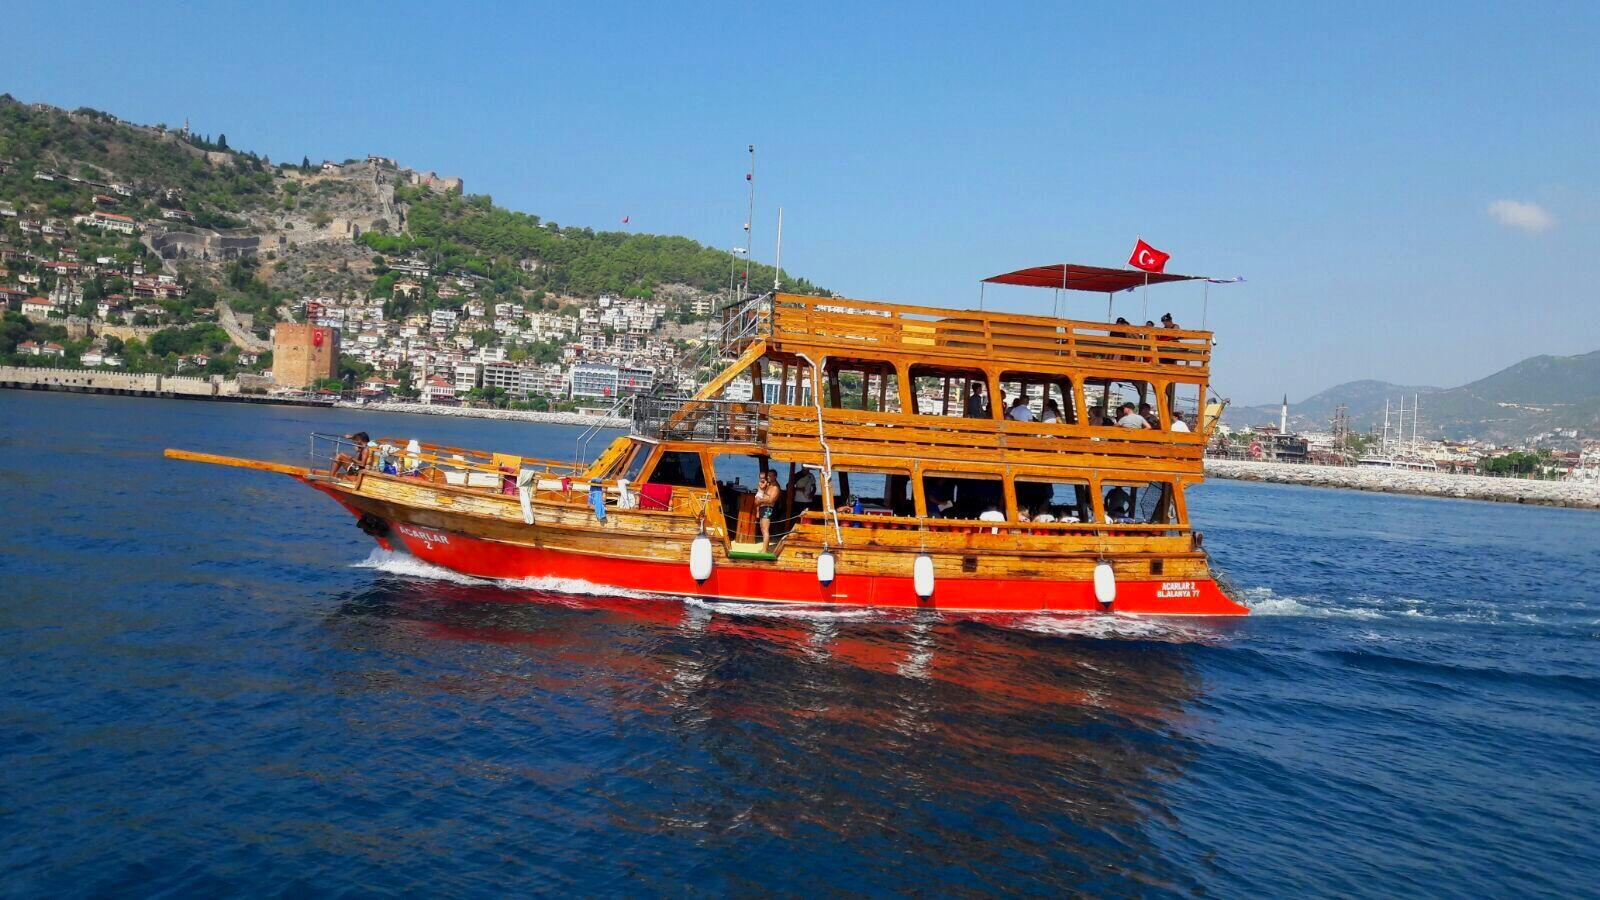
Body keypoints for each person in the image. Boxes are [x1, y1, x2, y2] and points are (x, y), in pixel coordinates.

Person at [755, 470, 781, 552]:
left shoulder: (775, 487)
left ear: (775, 476)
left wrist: (760, 500)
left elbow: (771, 500)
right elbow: (762, 492)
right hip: (763, 507)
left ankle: (765, 550)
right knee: (762, 528)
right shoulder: (768, 484)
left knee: (765, 529)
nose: (768, 477)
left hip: (768, 508)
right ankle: (764, 548)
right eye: (768, 476)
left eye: (770, 476)